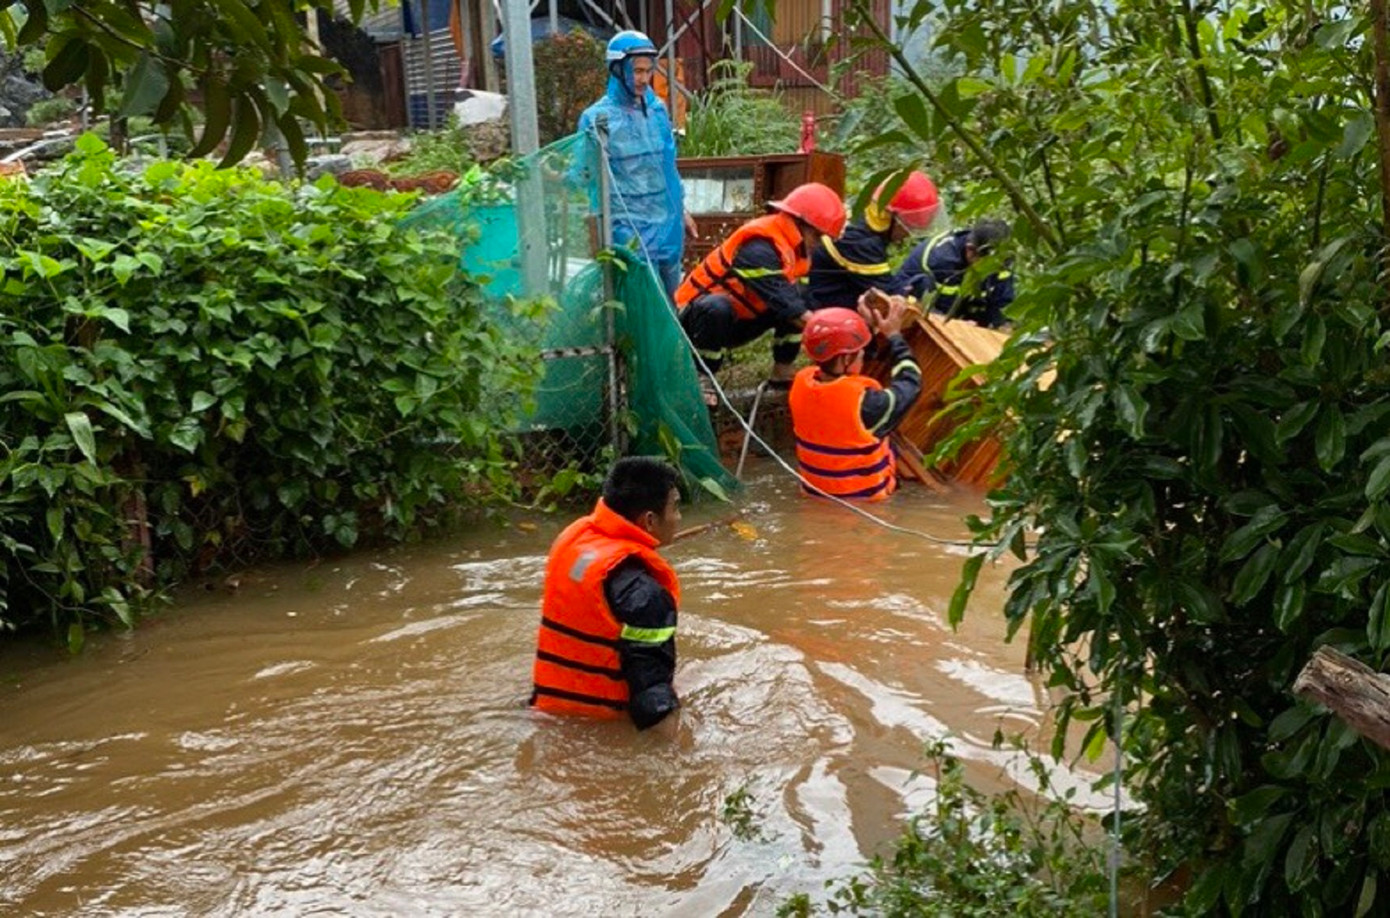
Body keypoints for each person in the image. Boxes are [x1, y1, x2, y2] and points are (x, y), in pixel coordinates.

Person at [530, 456, 684, 730]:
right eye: (675, 507)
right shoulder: (645, 594)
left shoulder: (574, 542)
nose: (679, 518)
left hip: (546, 710)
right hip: (602, 728)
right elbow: (652, 698)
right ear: (649, 520)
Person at [675, 182, 847, 399]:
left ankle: (782, 371)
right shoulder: (759, 245)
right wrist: (832, 342)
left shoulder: (796, 250)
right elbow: (784, 301)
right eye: (818, 236)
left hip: (740, 318)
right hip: (693, 321)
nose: (819, 245)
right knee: (718, 308)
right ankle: (701, 376)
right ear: (802, 224)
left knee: (799, 300)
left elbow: (798, 301)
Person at [570, 31, 695, 300]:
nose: (643, 79)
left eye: (648, 71)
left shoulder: (658, 111)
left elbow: (667, 167)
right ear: (617, 69)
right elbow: (583, 175)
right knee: (639, 302)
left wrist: (681, 210)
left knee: (673, 301)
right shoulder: (596, 118)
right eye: (637, 71)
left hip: (666, 222)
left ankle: (671, 344)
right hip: (626, 227)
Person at [788, 296, 923, 502]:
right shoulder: (868, 405)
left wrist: (866, 327)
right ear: (846, 359)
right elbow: (911, 383)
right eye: (859, 353)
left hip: (816, 496)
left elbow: (841, 379)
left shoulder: (800, 383)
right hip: (867, 505)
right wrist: (895, 336)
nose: (863, 356)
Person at [807, 170, 940, 310]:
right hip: (829, 306)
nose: (908, 234)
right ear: (890, 216)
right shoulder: (860, 241)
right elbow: (888, 293)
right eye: (908, 225)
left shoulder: (864, 212)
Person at [894, 219, 1014, 329]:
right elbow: (941, 307)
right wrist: (959, 326)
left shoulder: (1001, 262)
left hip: (960, 305)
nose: (995, 269)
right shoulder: (943, 260)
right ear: (970, 250)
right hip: (920, 299)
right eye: (990, 265)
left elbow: (1002, 304)